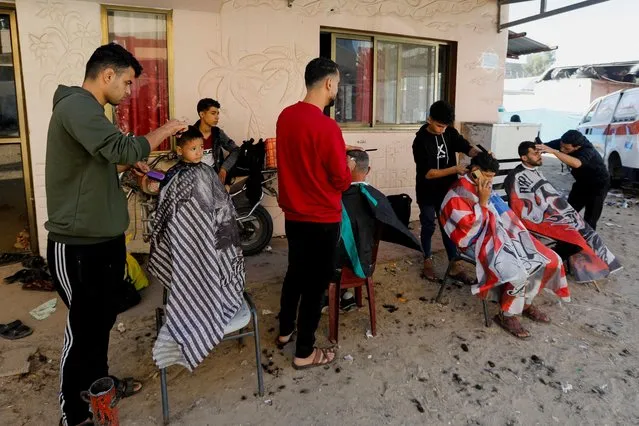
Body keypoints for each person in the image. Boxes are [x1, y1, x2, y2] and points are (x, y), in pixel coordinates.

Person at [45, 42, 187, 426]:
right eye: (125, 83)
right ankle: (73, 415)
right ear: (107, 75)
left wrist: (124, 170)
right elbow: (120, 146)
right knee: (82, 330)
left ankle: (99, 386)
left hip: (105, 241)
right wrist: (167, 129)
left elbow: (99, 163)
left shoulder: (92, 112)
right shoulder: (76, 106)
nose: (127, 93)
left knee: (102, 320)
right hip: (77, 245)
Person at [275, 57, 359, 369]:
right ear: (328, 84)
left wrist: (336, 150)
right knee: (315, 285)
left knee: (295, 273)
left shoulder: (286, 117)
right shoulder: (327, 127)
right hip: (322, 218)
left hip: (294, 215)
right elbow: (340, 179)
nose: (337, 89)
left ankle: (285, 331)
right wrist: (347, 164)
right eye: (337, 83)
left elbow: (301, 155)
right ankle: (304, 352)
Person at [439, 152, 570, 339]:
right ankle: (507, 314)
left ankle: (525, 302)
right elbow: (468, 229)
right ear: (475, 170)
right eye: (488, 176)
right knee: (517, 270)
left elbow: (503, 213)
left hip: (501, 234)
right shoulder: (457, 193)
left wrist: (514, 231)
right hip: (473, 242)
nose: (490, 181)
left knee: (549, 259)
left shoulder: (484, 185)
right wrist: (483, 203)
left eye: (493, 177)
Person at [148, 126, 245, 371]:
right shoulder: (175, 176)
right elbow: (167, 211)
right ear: (180, 150)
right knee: (191, 262)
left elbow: (221, 208)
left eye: (201, 147)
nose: (199, 152)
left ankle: (217, 297)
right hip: (186, 242)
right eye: (193, 148)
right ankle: (195, 302)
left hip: (211, 239)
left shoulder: (206, 172)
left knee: (221, 254)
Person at [504, 142, 622, 282]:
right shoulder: (516, 177)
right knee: (576, 240)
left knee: (587, 231)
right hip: (538, 219)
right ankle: (550, 262)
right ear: (524, 157)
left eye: (539, 152)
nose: (539, 155)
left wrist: (561, 211)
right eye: (535, 153)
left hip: (554, 213)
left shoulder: (535, 171)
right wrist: (549, 213)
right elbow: (520, 207)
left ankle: (574, 262)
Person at [331, 150, 422, 311]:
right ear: (369, 170)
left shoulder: (332, 199)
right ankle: (345, 293)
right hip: (366, 262)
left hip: (336, 267)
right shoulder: (377, 199)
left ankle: (331, 294)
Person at [412, 100, 481, 283]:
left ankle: (454, 263)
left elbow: (466, 147)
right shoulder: (420, 141)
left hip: (448, 192)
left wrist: (478, 153)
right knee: (428, 224)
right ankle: (427, 259)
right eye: (439, 125)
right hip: (427, 191)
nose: (442, 129)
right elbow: (428, 173)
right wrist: (455, 169)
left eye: (445, 126)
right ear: (429, 119)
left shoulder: (450, 133)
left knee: (447, 226)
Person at [537, 130, 610, 230]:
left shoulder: (588, 150)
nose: (562, 149)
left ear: (577, 147)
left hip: (598, 184)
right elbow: (544, 146)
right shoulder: (565, 142)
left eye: (566, 148)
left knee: (590, 218)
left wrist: (554, 151)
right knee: (568, 212)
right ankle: (565, 242)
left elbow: (577, 163)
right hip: (581, 183)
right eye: (561, 145)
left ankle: (587, 244)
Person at [194, 98, 240, 183]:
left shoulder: (217, 133)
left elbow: (236, 150)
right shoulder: (191, 133)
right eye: (213, 113)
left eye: (218, 114)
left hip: (214, 175)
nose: (217, 117)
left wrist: (224, 169)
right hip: (196, 178)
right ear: (202, 114)